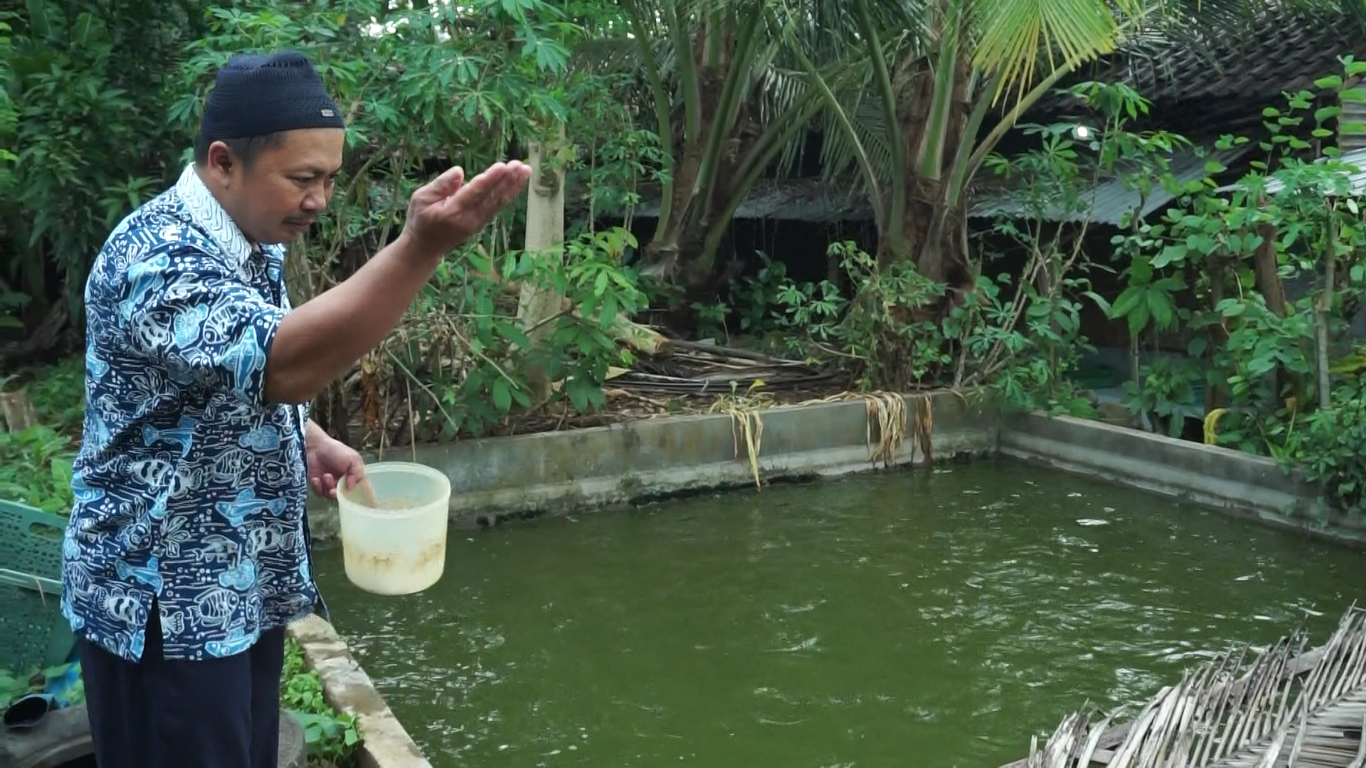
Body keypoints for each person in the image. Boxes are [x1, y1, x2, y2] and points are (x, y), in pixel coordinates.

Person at [60, 50, 531, 768]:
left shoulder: (252, 240)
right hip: (163, 601)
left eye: (329, 180)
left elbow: (226, 377)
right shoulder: (156, 258)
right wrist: (419, 248)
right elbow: (282, 360)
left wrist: (305, 435)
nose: (319, 200)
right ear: (224, 163)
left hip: (240, 580)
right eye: (302, 179)